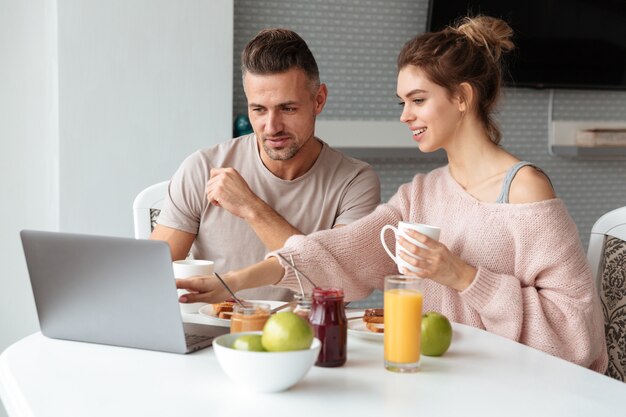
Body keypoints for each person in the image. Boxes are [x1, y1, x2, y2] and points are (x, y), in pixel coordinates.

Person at [177, 16, 608, 372]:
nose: (405, 116)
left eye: (417, 100)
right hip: (444, 379)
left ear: (462, 97)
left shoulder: (524, 189)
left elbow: (575, 332)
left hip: (522, 387)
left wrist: (461, 276)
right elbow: (336, 256)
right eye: (402, 102)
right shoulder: (422, 193)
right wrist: (229, 284)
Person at [151, 28, 381, 300]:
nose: (271, 127)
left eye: (287, 108)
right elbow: (148, 276)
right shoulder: (202, 167)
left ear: (318, 100)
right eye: (258, 109)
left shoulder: (355, 181)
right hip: (214, 336)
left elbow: (341, 281)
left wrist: (250, 207)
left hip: (306, 339)